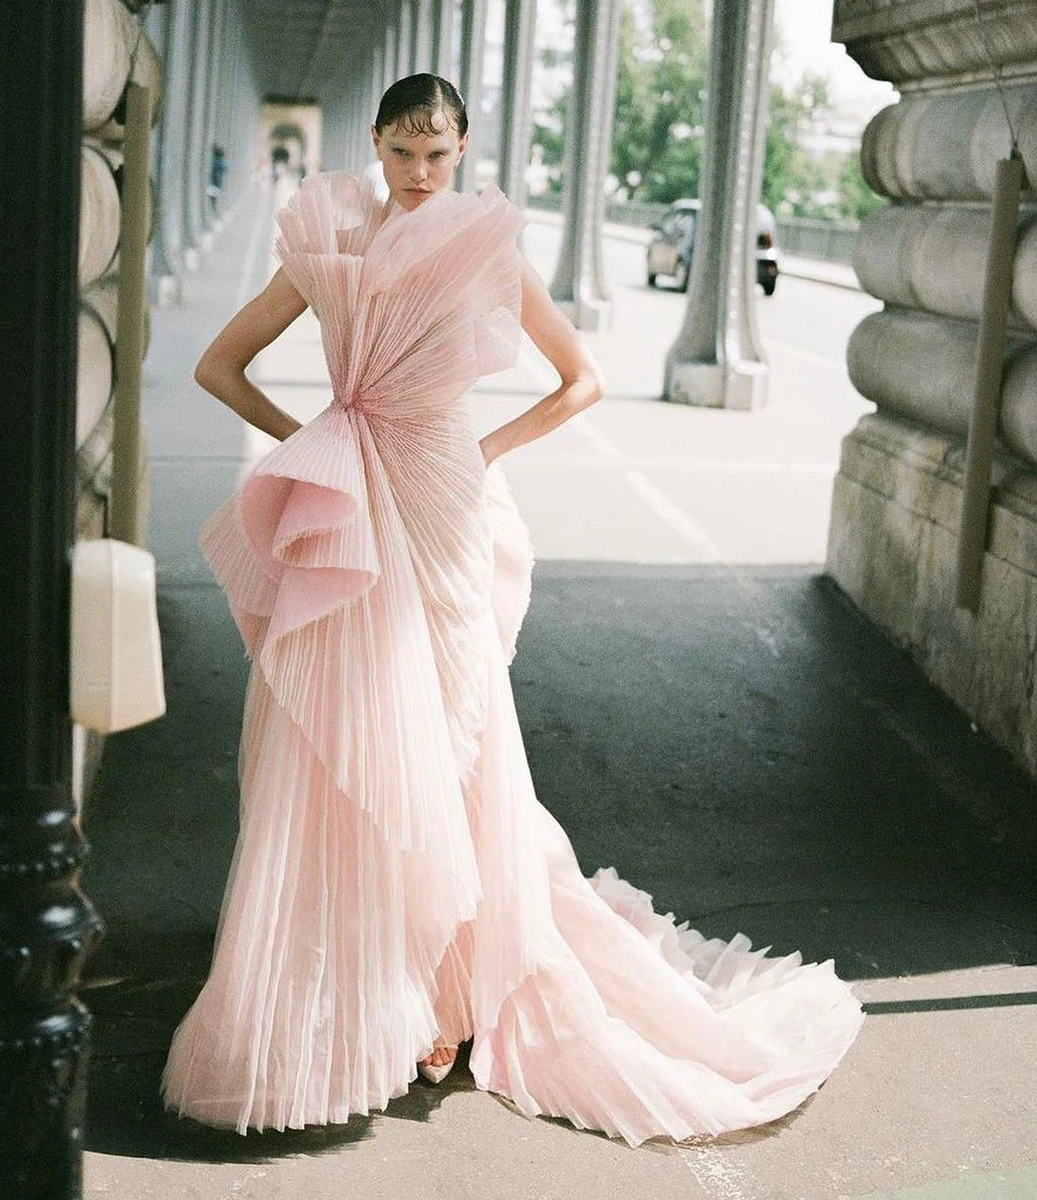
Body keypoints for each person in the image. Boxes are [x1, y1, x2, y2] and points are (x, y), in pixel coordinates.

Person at [162, 73, 863, 1148]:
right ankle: (376, 987)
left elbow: (577, 380)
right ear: (376, 146)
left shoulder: (484, 242)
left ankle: (445, 992)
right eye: (401, 153)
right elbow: (219, 366)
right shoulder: (331, 239)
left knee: (448, 732)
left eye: (436, 155)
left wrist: (485, 450)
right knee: (336, 723)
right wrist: (315, 437)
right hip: (359, 481)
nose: (417, 174)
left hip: (442, 494)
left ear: (465, 149)